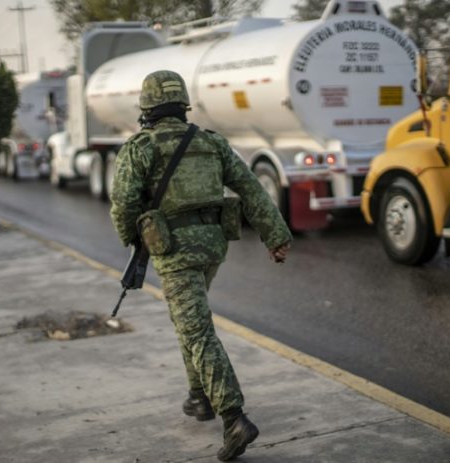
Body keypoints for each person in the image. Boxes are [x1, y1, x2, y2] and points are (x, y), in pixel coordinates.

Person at [110, 70, 291, 461]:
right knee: (188, 320)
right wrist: (276, 236)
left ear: (147, 109)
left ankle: (233, 417)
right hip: (212, 248)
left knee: (198, 332)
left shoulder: (140, 147)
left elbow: (123, 204)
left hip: (174, 253)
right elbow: (249, 187)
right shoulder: (211, 143)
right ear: (183, 105)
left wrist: (131, 237)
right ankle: (199, 396)